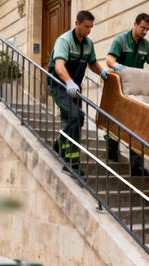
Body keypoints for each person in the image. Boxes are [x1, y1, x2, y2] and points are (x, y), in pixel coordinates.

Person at [104, 12, 149, 176]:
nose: (145, 32)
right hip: (118, 86)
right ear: (135, 24)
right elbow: (109, 59)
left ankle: (137, 166)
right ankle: (111, 148)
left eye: (147, 29)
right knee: (116, 120)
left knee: (137, 125)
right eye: (143, 28)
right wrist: (116, 66)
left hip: (135, 88)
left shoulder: (146, 45)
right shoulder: (121, 40)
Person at [47, 10, 109, 173]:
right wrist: (68, 82)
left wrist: (102, 72)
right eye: (86, 26)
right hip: (59, 86)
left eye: (91, 27)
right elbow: (59, 66)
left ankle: (59, 144)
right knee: (76, 117)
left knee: (76, 120)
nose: (89, 30)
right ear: (77, 24)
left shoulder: (88, 44)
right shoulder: (64, 40)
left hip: (74, 87)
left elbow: (93, 63)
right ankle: (71, 163)